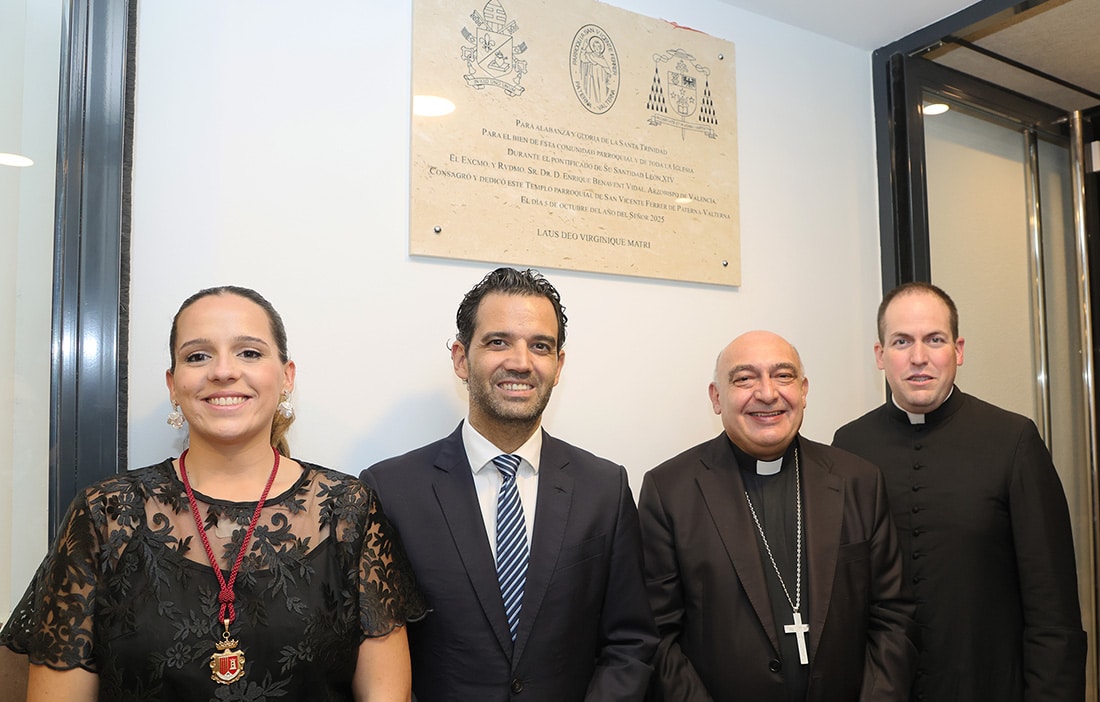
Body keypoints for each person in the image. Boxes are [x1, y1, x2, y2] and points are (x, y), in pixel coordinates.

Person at [0, 285, 427, 702]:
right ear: (173, 383)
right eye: (198, 355)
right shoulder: (105, 514)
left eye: (250, 352)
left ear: (286, 377)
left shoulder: (349, 511)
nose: (223, 371)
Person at [361, 267, 657, 701]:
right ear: (461, 358)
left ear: (558, 366)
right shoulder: (390, 491)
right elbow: (378, 657)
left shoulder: (604, 488)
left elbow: (631, 642)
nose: (521, 362)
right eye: (498, 342)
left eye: (540, 346)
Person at [832, 282, 1086, 701]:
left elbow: (1053, 609)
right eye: (901, 342)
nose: (919, 358)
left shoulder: (1013, 440)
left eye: (935, 339)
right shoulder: (849, 446)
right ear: (880, 355)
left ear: (958, 350)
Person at [639, 330, 917, 701]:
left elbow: (894, 619)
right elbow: (657, 637)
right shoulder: (670, 491)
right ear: (717, 398)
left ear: (803, 390)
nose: (768, 393)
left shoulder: (859, 481)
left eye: (783, 376)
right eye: (744, 379)